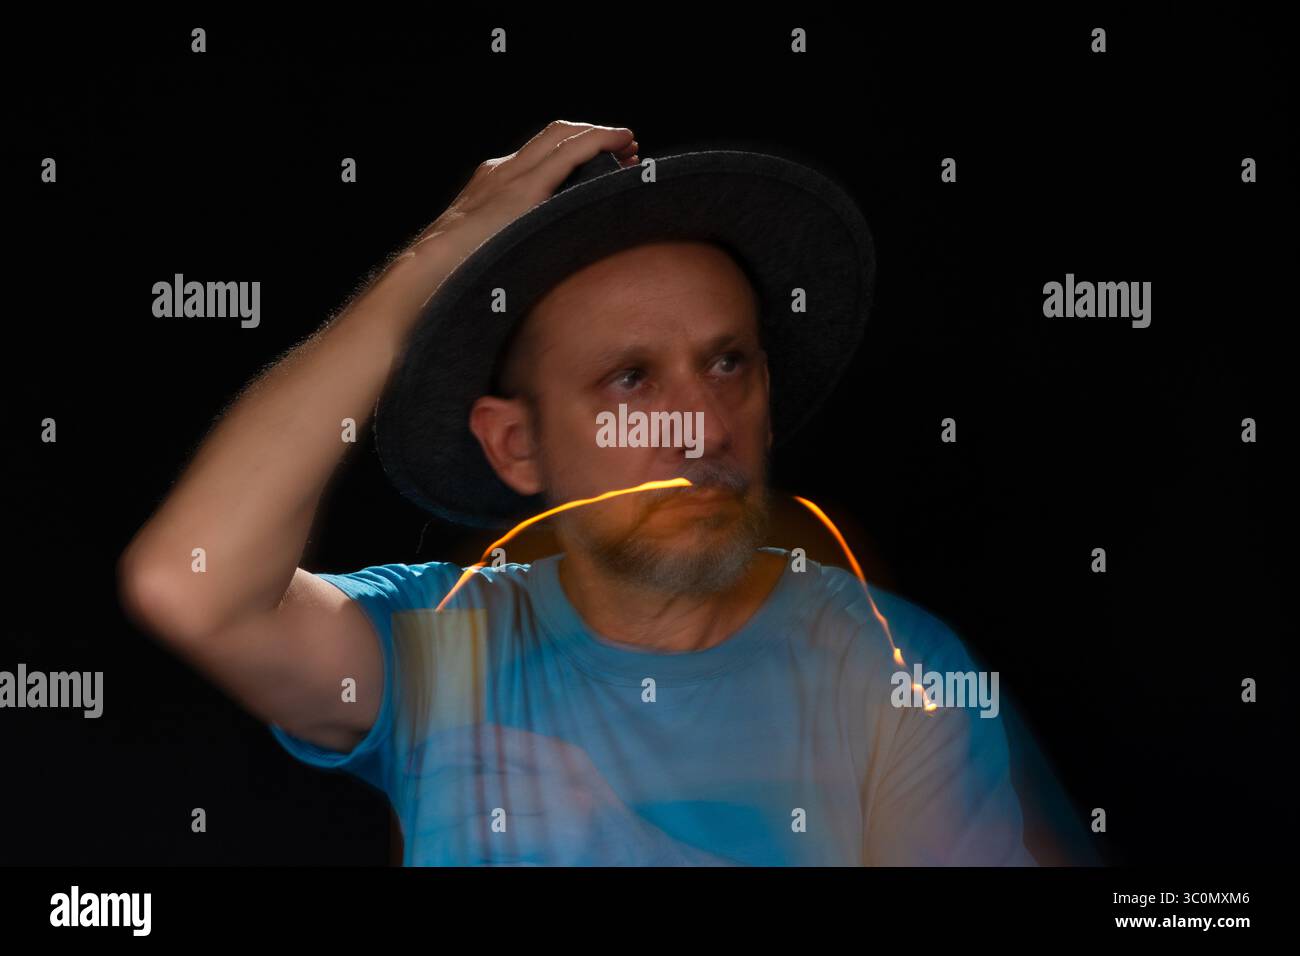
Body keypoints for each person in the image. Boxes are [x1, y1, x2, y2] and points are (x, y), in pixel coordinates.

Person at [118, 120, 1038, 866]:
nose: (704, 429)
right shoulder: (444, 647)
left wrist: (614, 837)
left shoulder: (890, 667)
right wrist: (430, 262)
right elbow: (190, 587)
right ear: (517, 447)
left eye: (727, 363)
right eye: (631, 380)